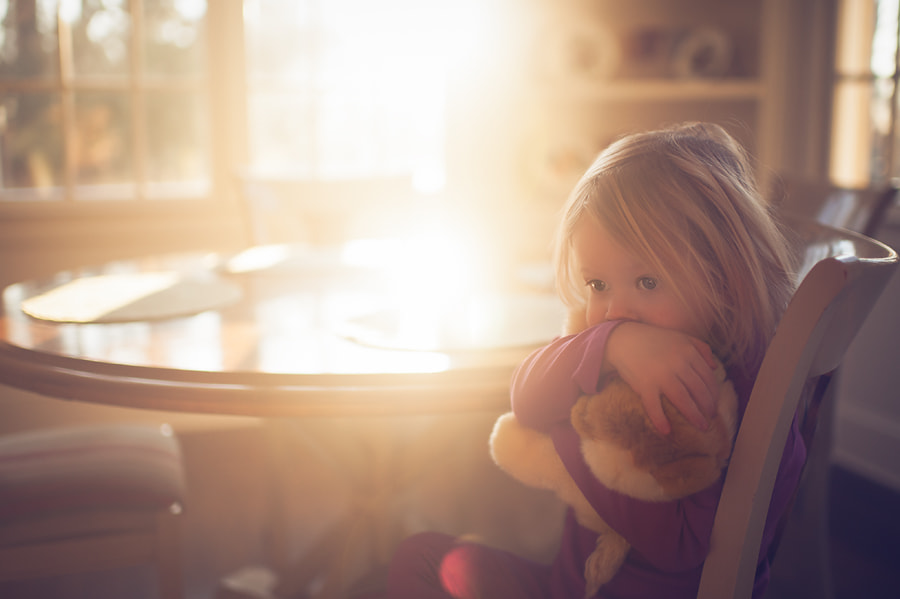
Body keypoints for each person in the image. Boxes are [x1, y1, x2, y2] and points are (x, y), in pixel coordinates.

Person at [381, 122, 806, 599]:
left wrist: (566, 443)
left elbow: (683, 543)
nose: (615, 312)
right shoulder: (607, 343)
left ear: (722, 275)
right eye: (598, 285)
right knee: (420, 557)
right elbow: (525, 397)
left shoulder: (742, 389)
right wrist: (611, 345)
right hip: (569, 585)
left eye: (647, 282)